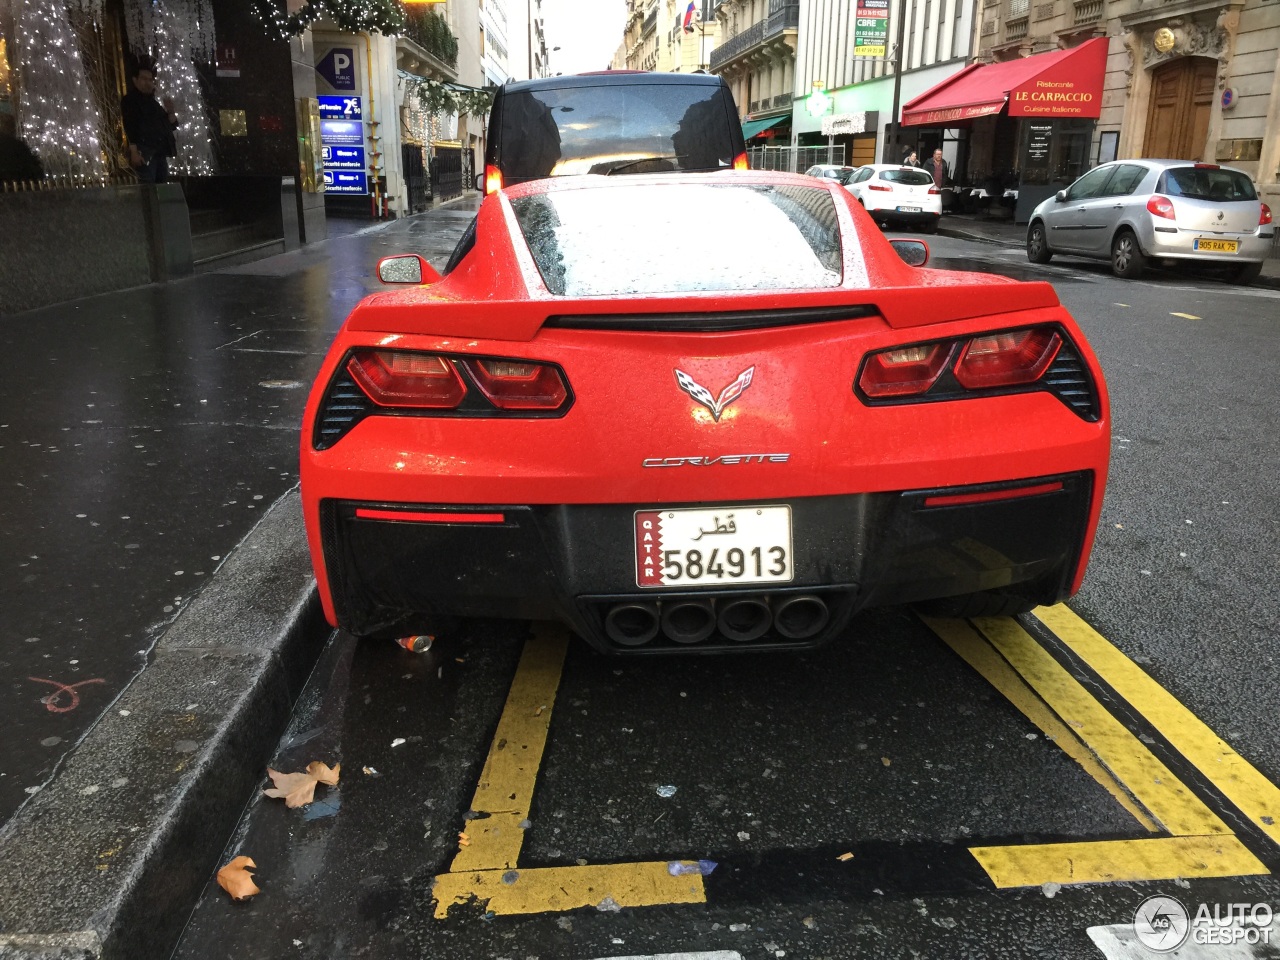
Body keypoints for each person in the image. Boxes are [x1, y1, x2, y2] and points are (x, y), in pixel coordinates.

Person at [121, 63, 177, 183]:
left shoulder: (153, 102)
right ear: (135, 80)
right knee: (148, 189)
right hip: (145, 152)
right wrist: (134, 152)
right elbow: (130, 126)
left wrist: (170, 111)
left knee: (161, 188)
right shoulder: (130, 100)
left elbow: (171, 125)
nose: (148, 83)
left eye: (150, 79)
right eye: (144, 79)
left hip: (160, 152)